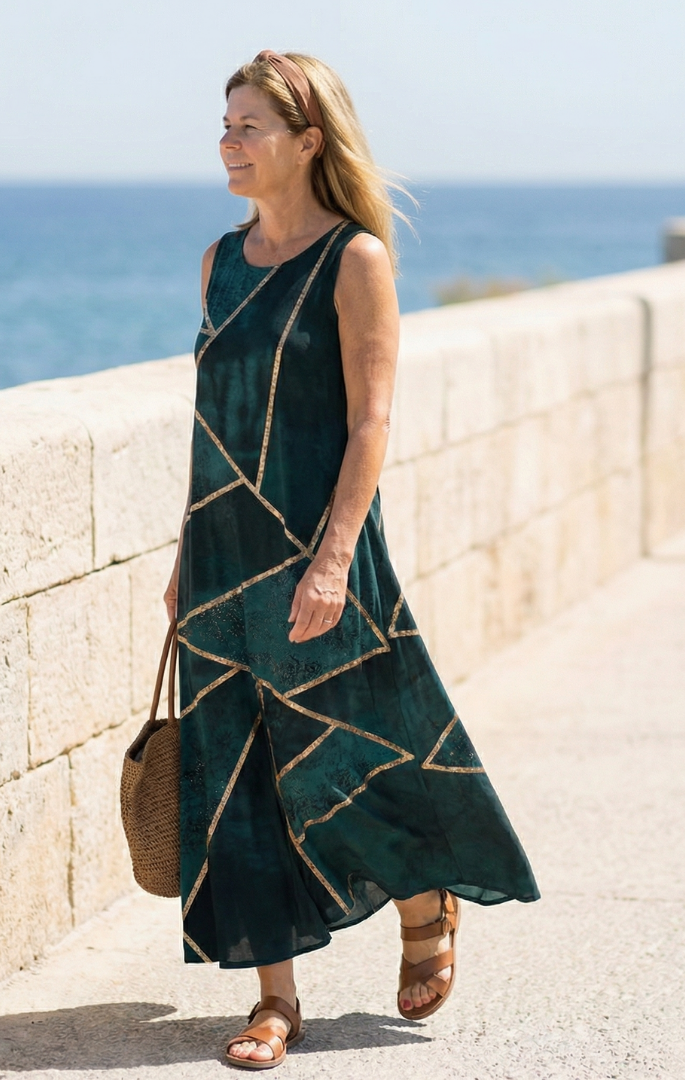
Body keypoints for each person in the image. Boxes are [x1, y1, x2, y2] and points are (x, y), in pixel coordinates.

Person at [163, 49, 539, 1070]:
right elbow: (212, 425)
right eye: (226, 124)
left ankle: (423, 896)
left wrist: (332, 561)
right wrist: (187, 553)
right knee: (238, 769)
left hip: (315, 545)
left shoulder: (354, 258)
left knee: (353, 749)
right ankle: (274, 999)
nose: (228, 142)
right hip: (225, 550)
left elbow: (371, 421)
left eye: (249, 126)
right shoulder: (218, 261)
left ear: (307, 142)